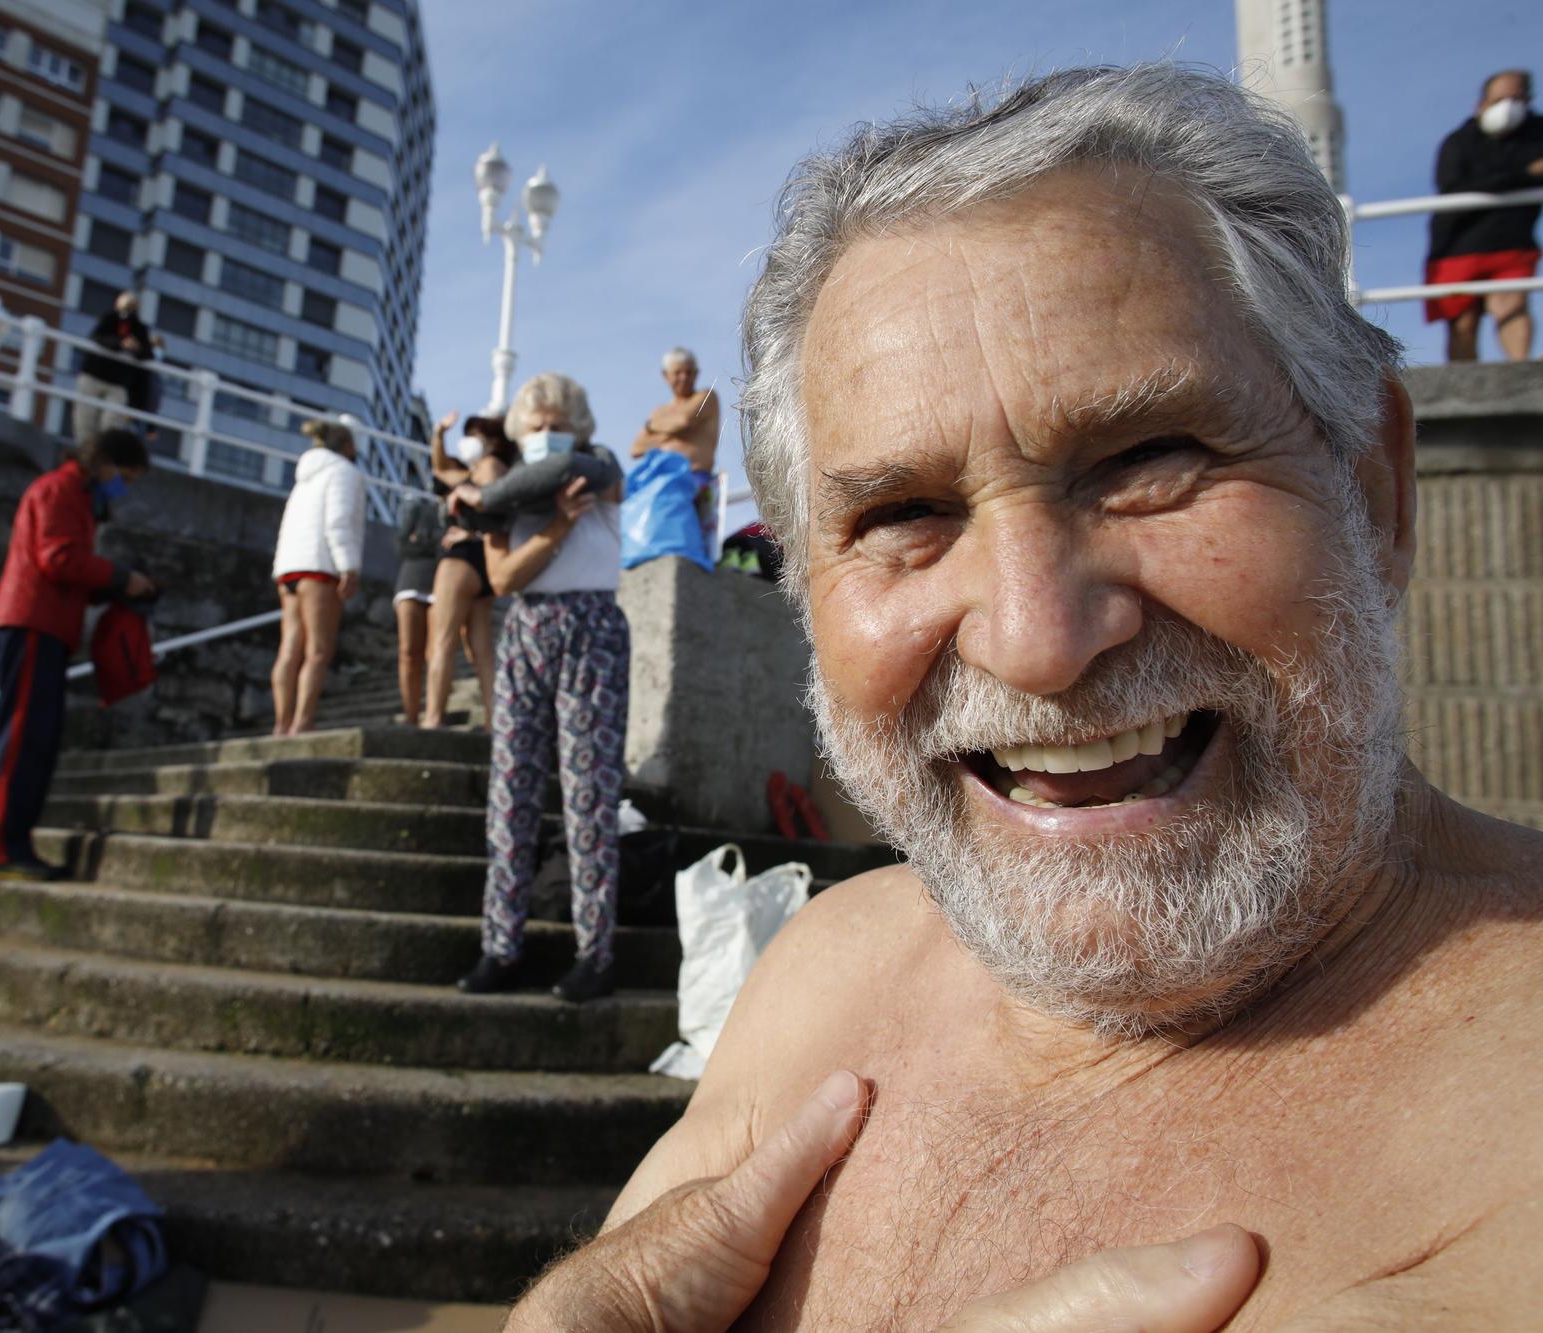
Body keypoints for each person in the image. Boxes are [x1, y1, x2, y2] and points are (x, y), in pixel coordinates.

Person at [511, 65, 1543, 1328]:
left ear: (1375, 491)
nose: (1035, 639)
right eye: (902, 515)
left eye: (1149, 459)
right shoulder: (825, 973)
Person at [449, 374, 628, 1004]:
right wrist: (553, 526)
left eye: (558, 418)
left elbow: (603, 479)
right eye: (536, 419)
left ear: (577, 423)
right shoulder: (502, 502)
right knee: (511, 792)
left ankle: (595, 953)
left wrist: (484, 495)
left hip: (593, 626)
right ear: (521, 427)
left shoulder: (600, 466)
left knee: (590, 792)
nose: (546, 428)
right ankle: (500, 946)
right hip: (527, 627)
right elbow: (502, 578)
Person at [0, 429, 154, 881]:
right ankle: (2, 848)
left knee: (36, 738)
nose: (124, 488)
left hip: (45, 623)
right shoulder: (60, 490)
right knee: (22, 738)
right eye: (125, 478)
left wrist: (110, 585)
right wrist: (118, 578)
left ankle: (11, 842)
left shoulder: (71, 493)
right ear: (106, 464)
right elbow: (57, 558)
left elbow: (64, 565)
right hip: (33, 622)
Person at [1427, 69, 1543, 363]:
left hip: (1513, 242)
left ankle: (1520, 377)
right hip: (1456, 245)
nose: (1509, 106)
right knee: (1462, 320)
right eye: (1500, 99)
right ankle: (1464, 388)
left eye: (1517, 98)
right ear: (1482, 105)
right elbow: (1453, 188)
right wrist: (1526, 175)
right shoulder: (1459, 142)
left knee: (1512, 305)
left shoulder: (1537, 133)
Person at [270, 418, 365, 736]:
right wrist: (348, 565)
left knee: (289, 648)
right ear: (348, 446)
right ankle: (303, 720)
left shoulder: (304, 478)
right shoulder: (344, 473)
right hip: (319, 566)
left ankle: (281, 722)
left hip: (289, 567)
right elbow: (337, 521)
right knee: (319, 650)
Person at [421, 411, 514, 729]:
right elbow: (440, 468)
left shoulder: (488, 467)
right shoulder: (480, 469)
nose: (470, 439)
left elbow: (492, 509)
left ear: (492, 440)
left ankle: (433, 718)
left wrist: (471, 533)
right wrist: (438, 435)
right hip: (484, 566)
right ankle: (493, 719)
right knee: (481, 649)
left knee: (442, 640)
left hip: (464, 559)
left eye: (476, 434)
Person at [631, 346, 723, 557]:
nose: (684, 377)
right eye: (678, 373)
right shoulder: (659, 411)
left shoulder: (706, 397)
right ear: (666, 376)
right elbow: (636, 448)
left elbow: (684, 421)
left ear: (696, 373)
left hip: (694, 479)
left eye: (689, 372)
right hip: (658, 482)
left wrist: (652, 428)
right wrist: (670, 430)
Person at [391, 485, 444, 724]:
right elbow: (403, 546)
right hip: (411, 582)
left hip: (442, 583)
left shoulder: (456, 506)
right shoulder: (416, 508)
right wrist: (434, 544)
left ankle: (434, 713)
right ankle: (410, 714)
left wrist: (425, 542)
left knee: (437, 650)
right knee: (409, 650)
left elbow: (445, 550)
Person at [75, 291, 160, 441]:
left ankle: (102, 457)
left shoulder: (139, 329)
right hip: (94, 376)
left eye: (132, 306)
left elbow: (147, 357)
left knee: (111, 426)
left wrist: (136, 349)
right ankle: (85, 454)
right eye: (127, 305)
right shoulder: (109, 319)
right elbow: (97, 337)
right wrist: (120, 344)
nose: (128, 309)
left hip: (118, 384)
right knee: (85, 421)